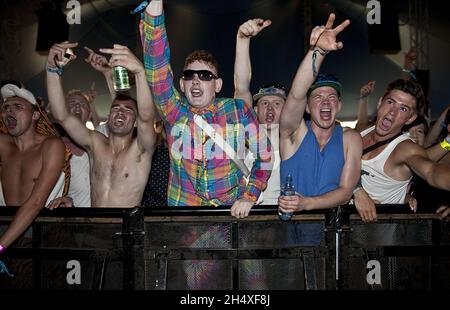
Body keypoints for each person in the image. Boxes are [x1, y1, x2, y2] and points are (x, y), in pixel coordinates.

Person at [140, 0, 272, 218]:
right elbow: (157, 70)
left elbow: (265, 155)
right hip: (186, 223)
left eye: (205, 76)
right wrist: (155, 6)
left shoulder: (236, 110)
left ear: (217, 85)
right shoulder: (174, 112)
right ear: (182, 85)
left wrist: (250, 195)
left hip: (229, 220)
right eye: (189, 76)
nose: (196, 81)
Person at [46, 41, 156, 208]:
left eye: (128, 110)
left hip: (125, 230)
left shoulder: (141, 150)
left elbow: (147, 118)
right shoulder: (95, 143)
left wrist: (140, 72)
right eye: (116, 108)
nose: (120, 112)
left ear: (135, 122)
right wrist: (52, 69)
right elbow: (62, 116)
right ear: (109, 114)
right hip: (94, 229)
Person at [278, 14, 362, 215]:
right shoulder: (293, 133)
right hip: (292, 237)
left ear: (339, 105)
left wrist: (306, 203)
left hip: (333, 236)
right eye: (317, 97)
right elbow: (297, 93)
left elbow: (345, 191)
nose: (325, 102)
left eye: (332, 97)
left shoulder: (350, 139)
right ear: (307, 107)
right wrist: (319, 51)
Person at [354, 79, 450, 222]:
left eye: (403, 109)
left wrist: (448, 142)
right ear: (380, 102)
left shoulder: (405, 148)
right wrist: (357, 191)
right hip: (342, 227)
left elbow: (431, 171)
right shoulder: (362, 131)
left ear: (410, 118)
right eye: (390, 102)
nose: (392, 112)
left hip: (377, 236)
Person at [0, 83, 66, 252]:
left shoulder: (51, 145)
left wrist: (0, 247)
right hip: (5, 227)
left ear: (35, 115)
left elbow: (37, 202)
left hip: (39, 231)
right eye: (6, 107)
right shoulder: (4, 144)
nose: (9, 110)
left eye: (17, 106)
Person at [234, 18, 283, 205]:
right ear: (254, 110)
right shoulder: (246, 139)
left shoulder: (291, 143)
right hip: (243, 221)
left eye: (277, 104)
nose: (270, 108)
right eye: (264, 103)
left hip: (278, 225)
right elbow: (241, 88)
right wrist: (242, 40)